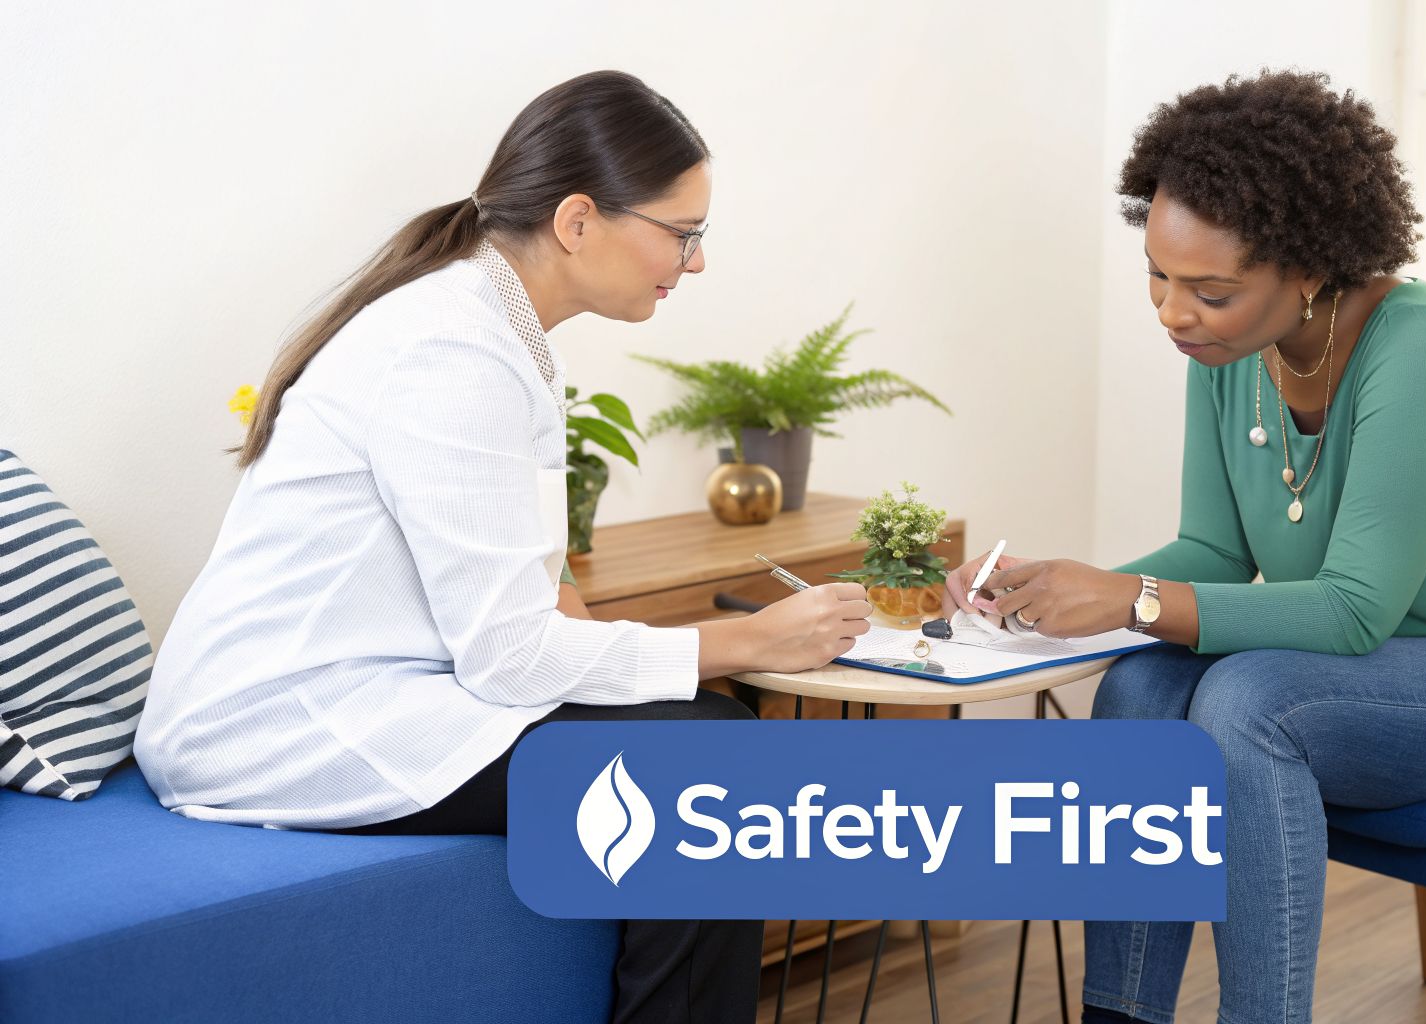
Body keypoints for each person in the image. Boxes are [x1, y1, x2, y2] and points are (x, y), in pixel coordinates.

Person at [133, 70, 872, 1024]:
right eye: (682, 233)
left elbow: (540, 588)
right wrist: (743, 642)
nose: (694, 263)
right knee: (708, 762)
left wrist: (689, 668)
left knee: (701, 725)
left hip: (378, 684)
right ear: (577, 220)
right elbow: (510, 653)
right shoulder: (452, 350)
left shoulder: (500, 331)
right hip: (276, 723)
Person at [942, 70, 1426, 1024]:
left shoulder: (1420, 342)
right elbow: (1215, 553)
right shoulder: (1230, 350)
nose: (1173, 312)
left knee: (1250, 697)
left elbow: (1353, 609)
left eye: (1211, 290)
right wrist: (1070, 585)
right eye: (1158, 274)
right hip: (1383, 669)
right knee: (1141, 685)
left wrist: (1131, 601)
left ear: (1309, 268)